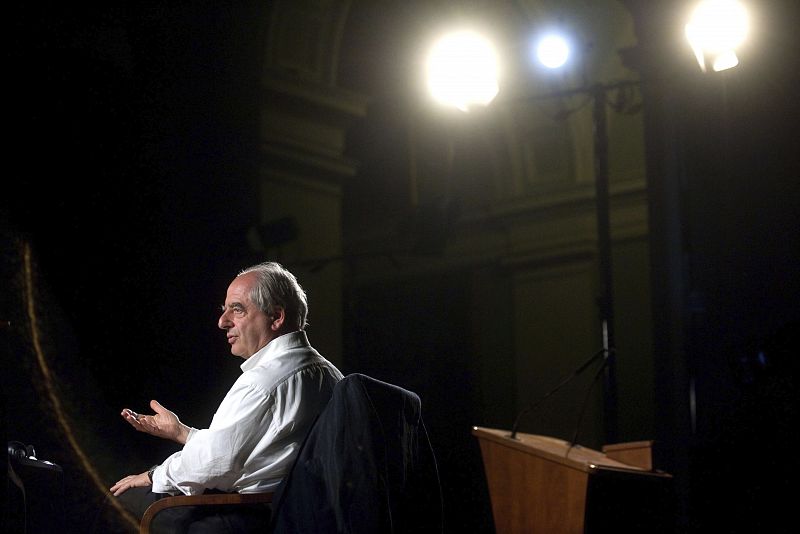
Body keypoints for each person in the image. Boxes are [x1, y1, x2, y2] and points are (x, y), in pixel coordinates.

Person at [110, 261, 343, 532]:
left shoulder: (263, 381)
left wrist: (155, 474)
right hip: (301, 514)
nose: (222, 322)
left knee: (119, 498)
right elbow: (253, 448)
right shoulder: (331, 374)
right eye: (224, 310)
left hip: (254, 516)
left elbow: (211, 467)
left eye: (237, 309)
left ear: (276, 317)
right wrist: (181, 432)